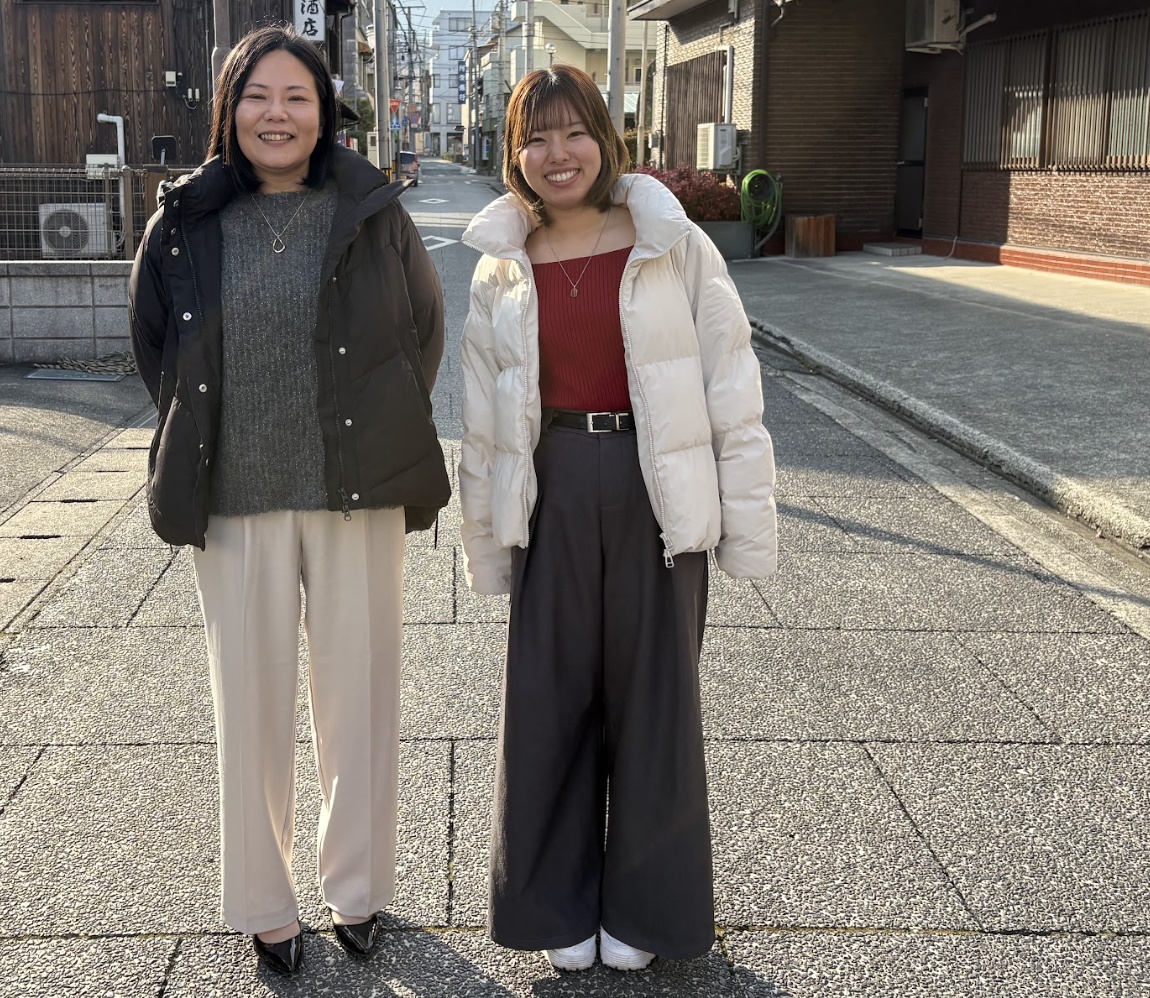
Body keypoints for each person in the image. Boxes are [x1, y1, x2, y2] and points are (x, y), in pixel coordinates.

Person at [128, 25, 449, 976]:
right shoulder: (186, 219)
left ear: (324, 112)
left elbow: (423, 331)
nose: (278, 114)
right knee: (250, 708)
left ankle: (358, 889)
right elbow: (156, 346)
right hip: (234, 501)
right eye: (258, 96)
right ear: (229, 109)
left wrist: (374, 429)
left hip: (360, 497)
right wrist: (213, 432)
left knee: (361, 701)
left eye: (297, 97)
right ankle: (265, 906)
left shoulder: (370, 209)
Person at [458, 65, 777, 973]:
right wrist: (486, 537)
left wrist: (747, 522)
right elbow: (481, 414)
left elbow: (731, 382)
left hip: (656, 484)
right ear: (515, 153)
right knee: (547, 700)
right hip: (551, 482)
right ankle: (552, 904)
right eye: (536, 137)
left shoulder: (672, 242)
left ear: (605, 137)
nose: (557, 154)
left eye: (574, 132)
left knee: (656, 702)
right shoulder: (502, 262)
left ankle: (649, 908)